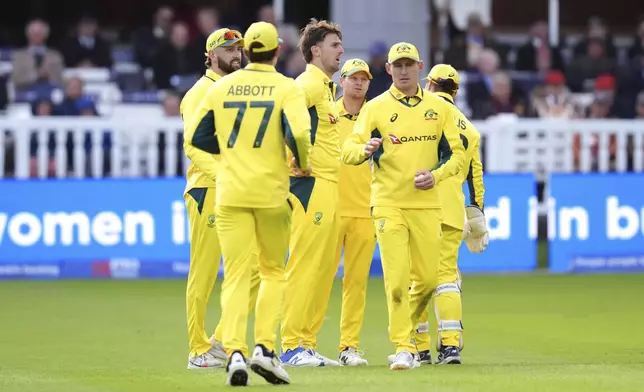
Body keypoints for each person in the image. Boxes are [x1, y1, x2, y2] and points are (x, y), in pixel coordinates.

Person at [187, 21, 312, 386]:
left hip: (229, 194)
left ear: (247, 51)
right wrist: (301, 163)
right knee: (273, 271)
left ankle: (235, 352)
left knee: (237, 276)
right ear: (277, 51)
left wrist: (223, 170)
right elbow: (301, 133)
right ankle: (263, 349)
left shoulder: (221, 88)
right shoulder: (286, 87)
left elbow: (194, 142)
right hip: (269, 192)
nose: (233, 53)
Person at [341, 43, 465, 371]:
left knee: (425, 280)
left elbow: (458, 154)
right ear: (388, 69)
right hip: (387, 204)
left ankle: (405, 336)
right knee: (396, 279)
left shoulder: (440, 109)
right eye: (398, 65)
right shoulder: (377, 108)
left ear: (420, 66)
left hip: (426, 206)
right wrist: (364, 150)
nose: (404, 70)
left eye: (409, 64)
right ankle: (403, 346)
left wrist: (436, 176)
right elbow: (348, 149)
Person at [387, 64, 488, 367]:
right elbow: (475, 177)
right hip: (454, 211)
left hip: (418, 204)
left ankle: (418, 348)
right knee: (446, 277)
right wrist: (477, 215)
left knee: (414, 279)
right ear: (455, 91)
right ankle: (450, 346)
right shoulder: (469, 128)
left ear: (428, 84)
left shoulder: (424, 113)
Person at [181, 27, 256, 370]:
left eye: (238, 47)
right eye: (228, 49)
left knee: (253, 267)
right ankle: (198, 349)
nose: (236, 53)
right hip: (209, 189)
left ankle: (222, 340)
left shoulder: (235, 90)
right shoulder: (201, 92)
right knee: (206, 271)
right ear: (211, 56)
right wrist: (222, 176)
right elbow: (193, 145)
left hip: (238, 188)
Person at [279, 18, 344, 367]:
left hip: (329, 184)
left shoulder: (326, 88)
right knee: (304, 265)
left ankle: (305, 342)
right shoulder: (307, 83)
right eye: (335, 45)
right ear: (315, 50)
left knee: (322, 269)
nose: (341, 51)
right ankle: (290, 345)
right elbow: (283, 121)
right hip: (311, 185)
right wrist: (296, 162)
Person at [334, 58, 374, 366]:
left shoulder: (377, 117)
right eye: (353, 78)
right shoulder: (326, 114)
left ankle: (349, 346)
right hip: (331, 208)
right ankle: (301, 343)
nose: (359, 83)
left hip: (365, 209)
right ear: (341, 81)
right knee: (317, 279)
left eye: (364, 79)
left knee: (356, 284)